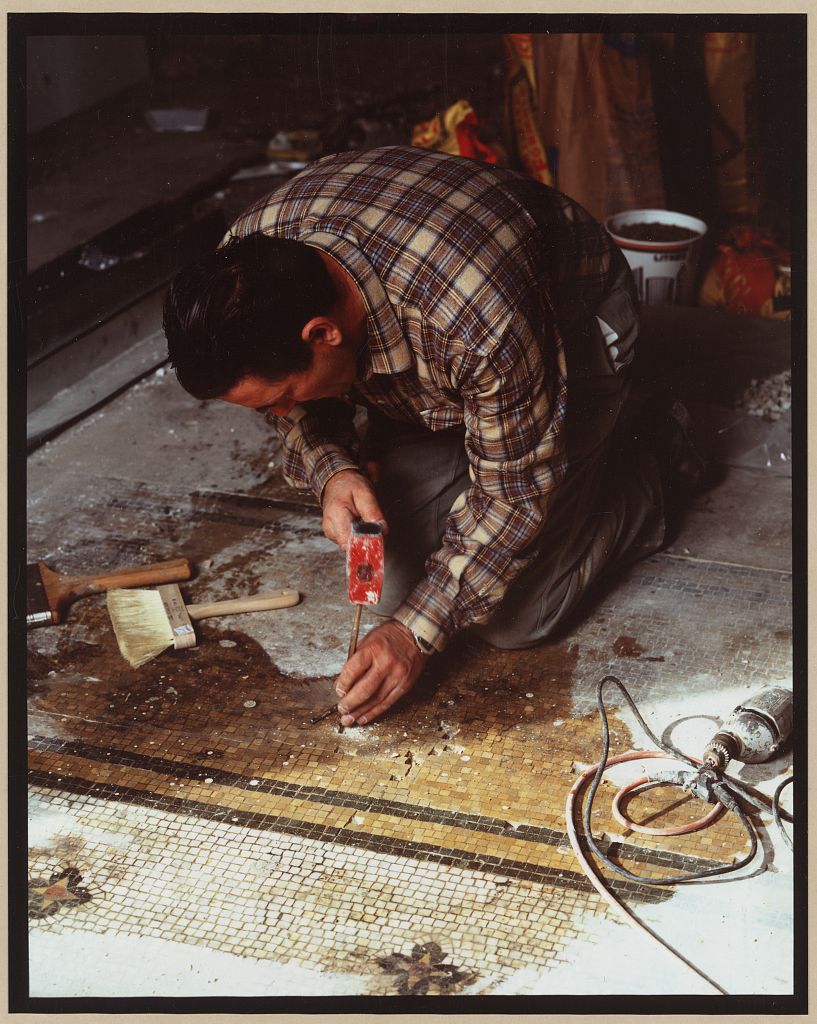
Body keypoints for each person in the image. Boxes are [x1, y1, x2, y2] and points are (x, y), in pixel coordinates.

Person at [164, 145, 702, 728]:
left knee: (515, 618)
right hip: (433, 359)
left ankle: (654, 454)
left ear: (323, 333)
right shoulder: (239, 274)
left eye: (282, 399)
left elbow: (513, 497)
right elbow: (297, 409)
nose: (283, 414)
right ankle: (482, 435)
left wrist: (413, 638)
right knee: (398, 578)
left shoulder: (476, 320)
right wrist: (332, 469)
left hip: (570, 330)